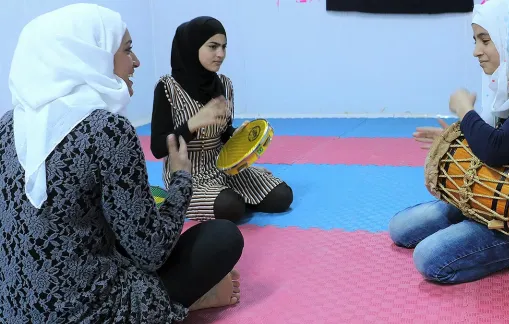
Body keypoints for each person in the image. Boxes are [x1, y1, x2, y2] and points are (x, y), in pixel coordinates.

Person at [0, 4, 243, 322]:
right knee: (223, 237)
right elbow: (153, 251)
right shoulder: (108, 128)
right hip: (85, 312)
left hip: (13, 309)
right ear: (92, 57)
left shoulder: (8, 125)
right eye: (127, 50)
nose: (137, 61)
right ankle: (181, 302)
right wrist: (182, 179)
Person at [389, 0, 509, 284]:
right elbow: (495, 142)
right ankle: (471, 226)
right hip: (488, 199)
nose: (476, 51)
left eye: (485, 40)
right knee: (400, 229)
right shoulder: (502, 91)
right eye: (475, 40)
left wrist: (465, 111)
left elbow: (496, 150)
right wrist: (456, 138)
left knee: (429, 259)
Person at [150, 16, 293, 222]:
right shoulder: (167, 88)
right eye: (213, 46)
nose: (221, 54)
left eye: (224, 47)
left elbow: (224, 133)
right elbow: (157, 148)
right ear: (193, 47)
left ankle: (229, 192)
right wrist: (194, 123)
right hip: (189, 175)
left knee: (282, 196)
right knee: (231, 207)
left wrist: (241, 139)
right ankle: (180, 198)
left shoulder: (225, 84)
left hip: (225, 168)